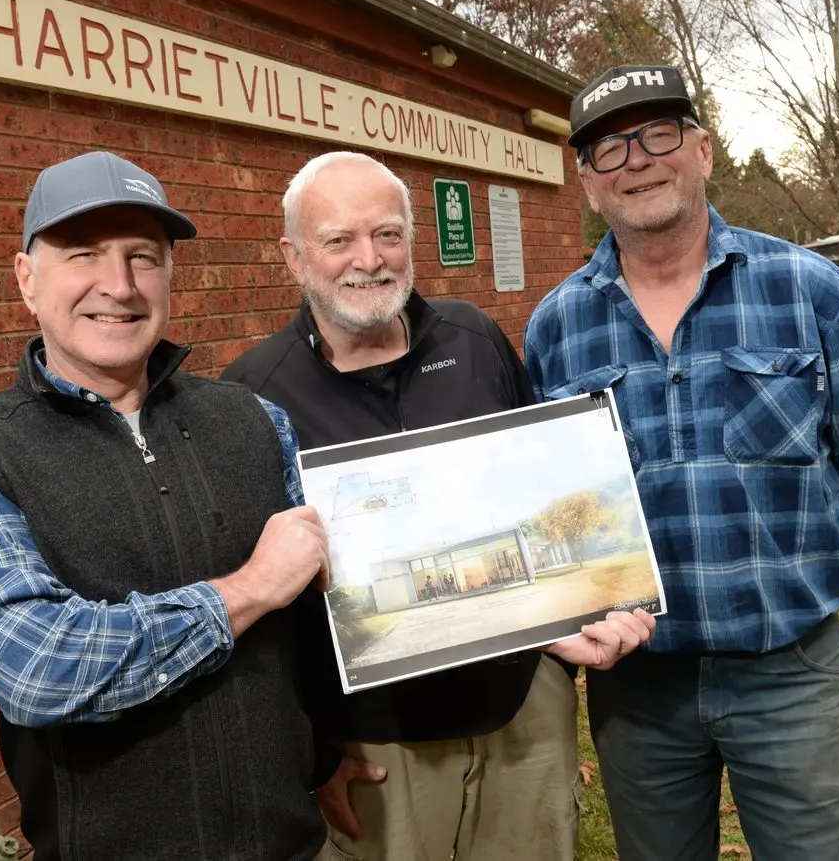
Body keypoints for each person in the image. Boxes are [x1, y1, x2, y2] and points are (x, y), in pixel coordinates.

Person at [524, 66, 839, 860]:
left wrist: (798, 562)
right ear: (587, 183)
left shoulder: (811, 290)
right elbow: (548, 501)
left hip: (789, 671)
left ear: (702, 151)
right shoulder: (556, 327)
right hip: (637, 686)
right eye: (608, 149)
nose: (637, 160)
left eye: (658, 134)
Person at [222, 151, 656, 861]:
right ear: (294, 258)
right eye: (338, 240)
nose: (369, 259)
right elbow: (259, 611)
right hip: (376, 746)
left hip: (521, 716)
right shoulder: (252, 396)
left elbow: (536, 494)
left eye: (388, 234)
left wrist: (580, 617)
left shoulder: (474, 339)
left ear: (412, 240)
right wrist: (311, 756)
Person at [0, 151, 333, 861]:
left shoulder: (256, 421)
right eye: (84, 254)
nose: (119, 284)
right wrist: (251, 588)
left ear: (169, 275)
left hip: (292, 844)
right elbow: (38, 668)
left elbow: (324, 615)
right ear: (27, 280)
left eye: (143, 256)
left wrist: (333, 756)